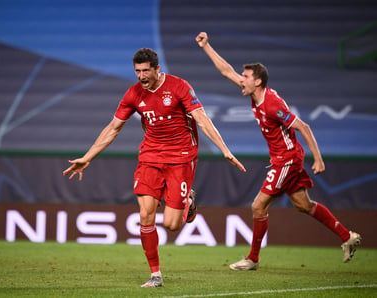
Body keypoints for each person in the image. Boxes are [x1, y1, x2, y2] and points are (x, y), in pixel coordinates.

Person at [63, 48, 246, 287]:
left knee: (171, 225)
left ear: (157, 69)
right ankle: (156, 274)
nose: (141, 76)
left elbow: (202, 118)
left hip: (181, 157)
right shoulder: (133, 94)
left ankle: (187, 203)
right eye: (137, 71)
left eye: (145, 71)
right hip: (150, 157)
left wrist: (225, 149)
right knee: (145, 215)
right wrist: (88, 157)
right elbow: (113, 128)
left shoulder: (179, 86)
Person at [195, 32, 361, 271]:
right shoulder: (254, 93)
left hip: (288, 159)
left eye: (246, 77)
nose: (241, 80)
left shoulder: (273, 105)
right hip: (283, 158)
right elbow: (226, 71)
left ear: (258, 82)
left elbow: (304, 126)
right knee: (304, 205)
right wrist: (207, 46)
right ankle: (348, 237)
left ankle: (252, 259)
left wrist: (319, 158)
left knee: (257, 206)